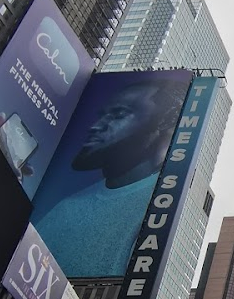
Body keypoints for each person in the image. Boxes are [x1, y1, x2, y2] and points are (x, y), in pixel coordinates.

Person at [34, 75, 188, 278]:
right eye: (102, 115)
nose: (95, 126)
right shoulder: (66, 208)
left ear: (165, 120)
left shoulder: (165, 205)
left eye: (118, 114)